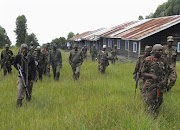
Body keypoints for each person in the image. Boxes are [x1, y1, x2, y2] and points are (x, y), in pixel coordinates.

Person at [141, 44, 168, 118]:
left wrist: (165, 80)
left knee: (159, 101)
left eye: (161, 50)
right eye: (158, 50)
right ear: (154, 51)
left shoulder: (164, 60)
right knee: (150, 101)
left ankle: (155, 113)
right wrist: (152, 76)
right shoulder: (148, 60)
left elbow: (166, 72)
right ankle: (151, 118)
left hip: (160, 84)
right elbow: (142, 73)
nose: (160, 52)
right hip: (150, 85)